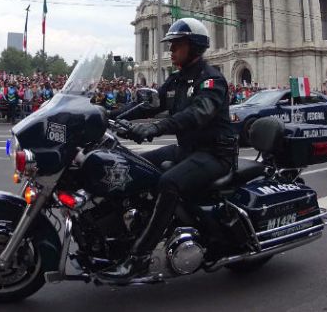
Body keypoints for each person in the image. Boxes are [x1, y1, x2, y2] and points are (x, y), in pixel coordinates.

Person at [99, 17, 237, 282]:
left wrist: (155, 128)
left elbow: (198, 114)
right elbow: (149, 104)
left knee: (168, 182)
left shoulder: (211, 80)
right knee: (131, 167)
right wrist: (106, 115)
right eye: (171, 46)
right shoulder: (176, 81)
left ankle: (139, 258)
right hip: (188, 151)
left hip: (215, 154)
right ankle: (126, 235)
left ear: (194, 47)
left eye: (176, 46)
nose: (171, 51)